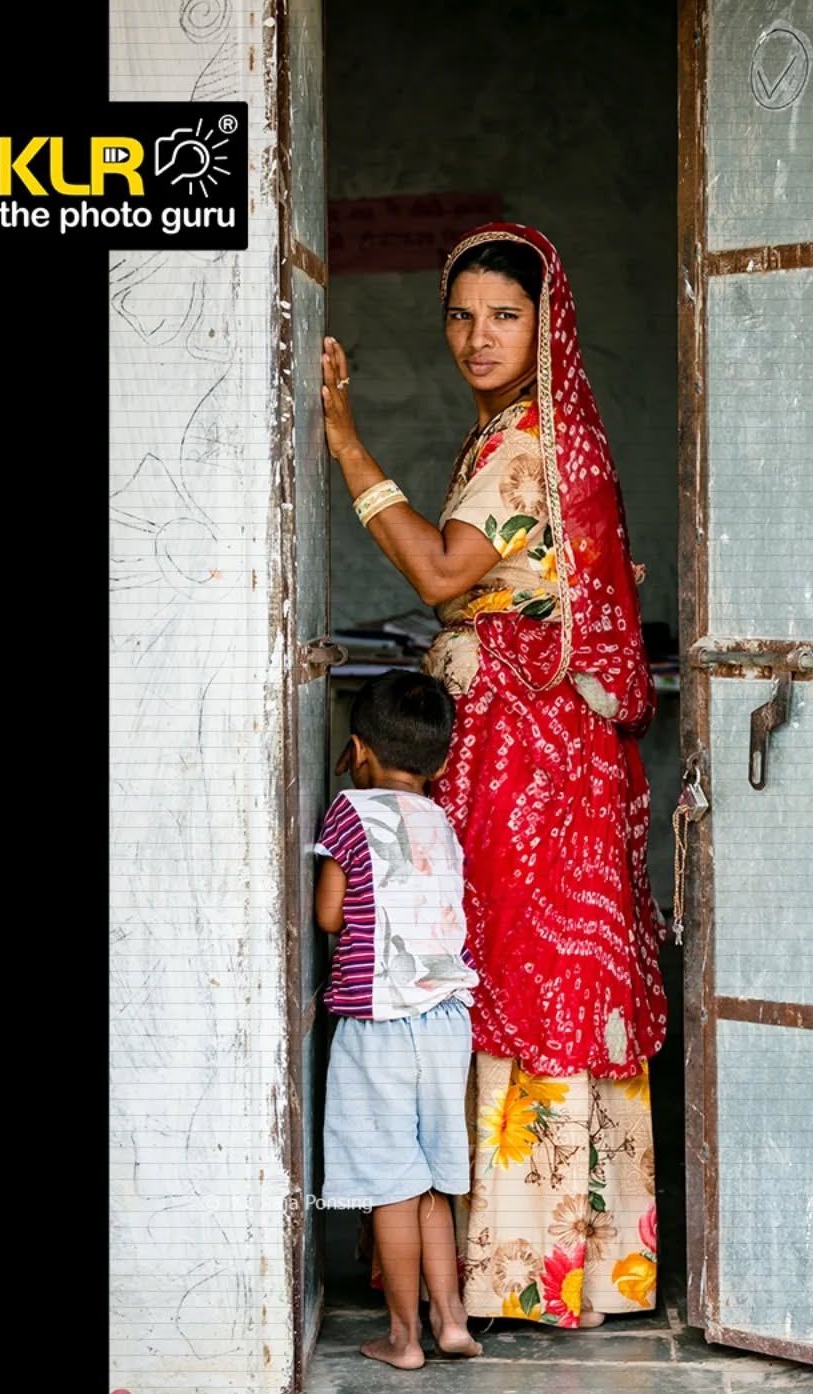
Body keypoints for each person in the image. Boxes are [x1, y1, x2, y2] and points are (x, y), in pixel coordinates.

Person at [319, 222, 668, 1328]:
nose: (479, 336)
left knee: (510, 973)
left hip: (529, 765)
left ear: (543, 326)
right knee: (533, 974)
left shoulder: (522, 445)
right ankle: (571, 1267)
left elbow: (439, 574)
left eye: (505, 316)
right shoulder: (530, 434)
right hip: (552, 753)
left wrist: (346, 445)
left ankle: (517, 1270)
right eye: (462, 316)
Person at [315, 668, 483, 1368]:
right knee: (434, 1184)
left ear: (357, 750)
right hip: (447, 1023)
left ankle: (404, 1337)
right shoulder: (442, 821)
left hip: (379, 1025)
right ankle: (451, 1321)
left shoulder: (349, 811)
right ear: (440, 763)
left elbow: (330, 914)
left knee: (391, 1186)